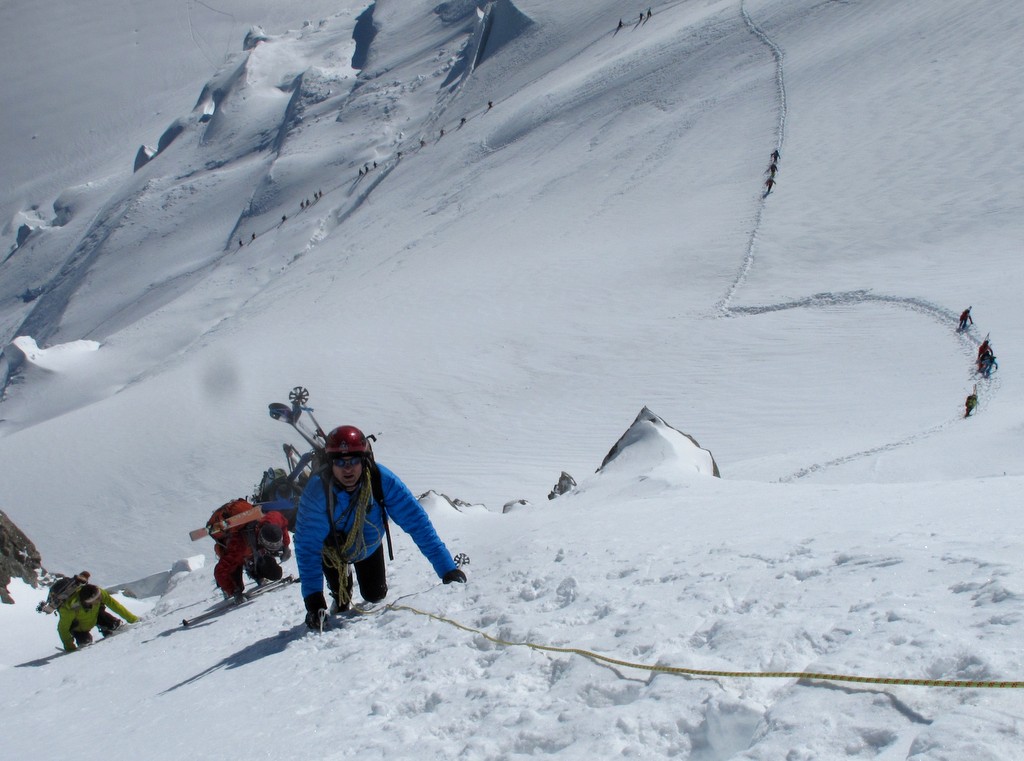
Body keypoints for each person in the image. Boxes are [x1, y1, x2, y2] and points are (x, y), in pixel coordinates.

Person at [295, 425, 466, 630]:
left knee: (375, 594)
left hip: (367, 546)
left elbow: (417, 523)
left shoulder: (381, 480)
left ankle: (349, 581)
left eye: (354, 461)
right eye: (340, 462)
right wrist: (314, 602)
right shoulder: (317, 492)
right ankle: (341, 589)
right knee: (341, 602)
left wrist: (447, 569)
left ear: (364, 460)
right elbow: (307, 547)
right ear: (330, 465)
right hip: (333, 551)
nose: (347, 468)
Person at [214, 510, 292, 603]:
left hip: (253, 553)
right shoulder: (239, 546)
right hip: (237, 555)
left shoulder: (272, 521)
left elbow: (282, 522)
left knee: (275, 573)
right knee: (237, 586)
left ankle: (255, 572)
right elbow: (220, 571)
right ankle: (228, 587)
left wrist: (286, 546)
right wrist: (233, 591)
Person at [57, 583, 138, 652]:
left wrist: (132, 619)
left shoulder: (99, 592)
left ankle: (107, 627)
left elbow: (115, 606)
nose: (100, 598)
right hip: (79, 628)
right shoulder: (69, 608)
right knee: (85, 642)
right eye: (97, 599)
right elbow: (63, 628)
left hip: (96, 616)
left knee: (115, 624)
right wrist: (69, 647)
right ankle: (92, 634)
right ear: (88, 602)